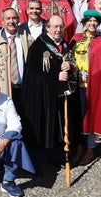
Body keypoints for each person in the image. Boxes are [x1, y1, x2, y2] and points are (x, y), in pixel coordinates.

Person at [21, 15, 78, 170]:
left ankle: (60, 154)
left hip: (61, 96)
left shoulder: (65, 45)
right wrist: (55, 77)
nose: (58, 30)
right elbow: (33, 75)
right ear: (47, 28)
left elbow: (72, 64)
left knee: (62, 124)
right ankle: (46, 156)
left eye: (61, 26)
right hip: (45, 97)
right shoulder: (39, 46)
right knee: (48, 125)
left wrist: (70, 68)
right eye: (54, 26)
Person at [69, 10, 101, 165]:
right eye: (90, 21)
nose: (92, 23)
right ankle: (79, 146)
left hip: (92, 85)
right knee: (78, 116)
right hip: (76, 84)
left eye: (95, 21)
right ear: (85, 22)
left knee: (91, 116)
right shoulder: (76, 39)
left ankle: (90, 148)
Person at [0, 8, 34, 112]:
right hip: (4, 89)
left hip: (25, 89)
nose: (11, 21)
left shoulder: (27, 38)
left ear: (18, 20)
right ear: (2, 21)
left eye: (14, 18)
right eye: (8, 18)